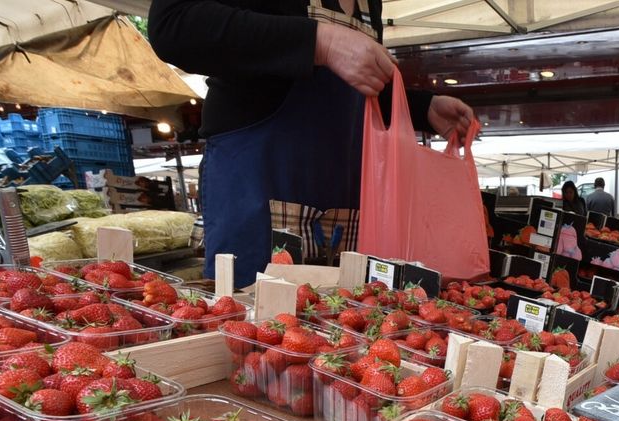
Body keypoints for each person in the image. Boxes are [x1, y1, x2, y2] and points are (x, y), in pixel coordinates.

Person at [148, 0, 475, 288]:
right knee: (256, 340)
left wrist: (423, 108)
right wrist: (319, 41)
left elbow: (356, 82)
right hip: (260, 188)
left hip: (343, 211)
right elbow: (175, 23)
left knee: (343, 332)